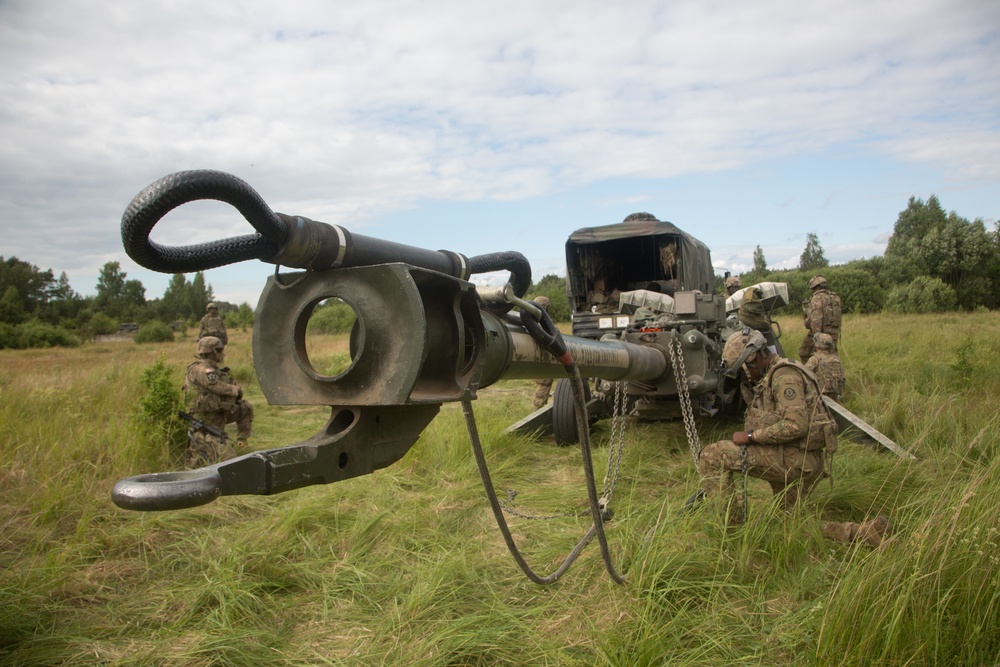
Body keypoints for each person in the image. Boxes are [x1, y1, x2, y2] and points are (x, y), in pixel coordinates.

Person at [698, 329, 888, 546]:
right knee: (788, 524)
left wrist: (751, 436)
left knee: (712, 456)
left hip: (794, 461)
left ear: (754, 358)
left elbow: (795, 425)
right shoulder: (772, 375)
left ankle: (732, 534)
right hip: (800, 459)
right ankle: (863, 533)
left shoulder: (784, 376)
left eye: (743, 368)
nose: (743, 375)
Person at [182, 336, 253, 468]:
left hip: (220, 414)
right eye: (220, 350)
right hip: (206, 421)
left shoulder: (215, 369)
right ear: (212, 352)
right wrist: (235, 390)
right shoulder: (202, 369)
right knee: (228, 460)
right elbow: (217, 387)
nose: (222, 353)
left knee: (245, 408)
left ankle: (242, 441)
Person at [799, 275, 841, 363]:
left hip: (821, 334)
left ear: (815, 287)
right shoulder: (835, 297)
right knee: (832, 355)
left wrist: (816, 338)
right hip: (834, 334)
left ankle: (811, 373)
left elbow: (816, 322)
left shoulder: (817, 298)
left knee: (804, 352)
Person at [805, 332, 845, 401]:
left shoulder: (815, 359)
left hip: (820, 397)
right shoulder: (837, 360)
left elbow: (804, 374)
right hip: (836, 397)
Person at [532, 295, 554, 410]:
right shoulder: (542, 324)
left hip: (537, 359)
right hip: (544, 360)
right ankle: (538, 412)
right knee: (543, 386)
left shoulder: (532, 321)